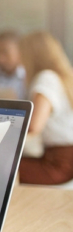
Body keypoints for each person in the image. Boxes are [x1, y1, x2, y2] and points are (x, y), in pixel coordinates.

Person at [17, 31, 73, 185]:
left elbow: (34, 126)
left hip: (58, 164)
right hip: (65, 161)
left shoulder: (46, 78)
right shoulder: (63, 77)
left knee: (0, 166)